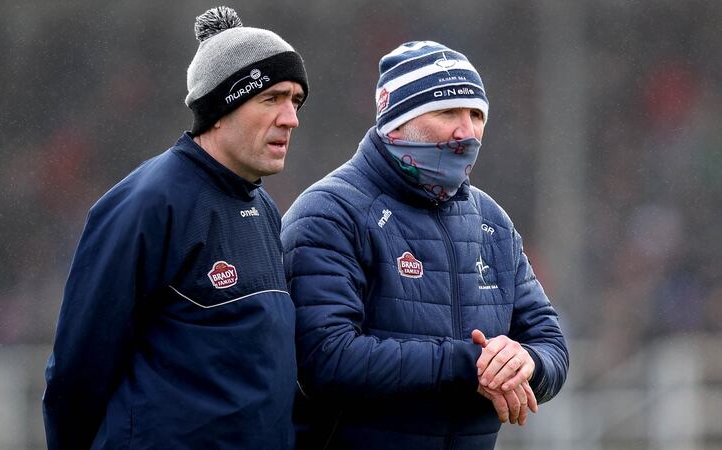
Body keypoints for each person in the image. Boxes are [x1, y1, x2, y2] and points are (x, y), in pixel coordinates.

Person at [42, 7, 308, 449]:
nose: (291, 118)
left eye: (295, 101)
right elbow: (79, 368)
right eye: (272, 98)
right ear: (222, 107)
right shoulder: (146, 203)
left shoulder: (263, 208)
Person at [281, 40, 568, 449]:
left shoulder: (492, 222)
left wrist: (525, 363)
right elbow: (326, 359)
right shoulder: (329, 213)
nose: (467, 132)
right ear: (396, 122)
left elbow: (551, 344)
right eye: (448, 112)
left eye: (476, 114)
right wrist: (469, 365)